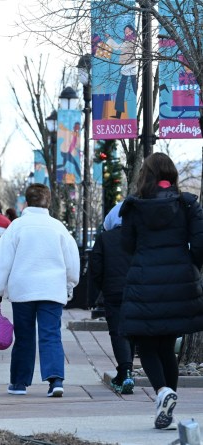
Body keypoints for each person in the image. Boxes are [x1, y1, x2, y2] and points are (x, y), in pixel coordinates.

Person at [119, 152, 203, 429]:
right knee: (167, 346)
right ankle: (168, 402)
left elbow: (126, 245)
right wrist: (187, 265)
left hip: (144, 281)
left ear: (146, 175)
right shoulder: (187, 204)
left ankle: (162, 392)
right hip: (179, 281)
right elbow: (199, 246)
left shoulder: (134, 206)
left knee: (146, 344)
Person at [0, 183, 80, 397]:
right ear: (49, 202)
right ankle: (55, 380)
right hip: (52, 288)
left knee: (24, 336)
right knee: (51, 334)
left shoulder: (17, 227)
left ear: (26, 203)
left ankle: (19, 382)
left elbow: (2, 260)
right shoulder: (58, 227)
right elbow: (72, 261)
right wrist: (69, 284)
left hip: (23, 289)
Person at [89, 202, 135, 394]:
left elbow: (96, 267)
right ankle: (126, 371)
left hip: (113, 291)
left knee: (117, 331)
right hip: (137, 291)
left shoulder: (104, 238)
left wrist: (100, 289)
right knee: (132, 330)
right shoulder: (139, 237)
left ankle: (125, 371)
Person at [104, 24, 137, 119]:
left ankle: (119, 114)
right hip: (127, 66)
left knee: (130, 88)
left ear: (132, 31)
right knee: (122, 90)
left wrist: (110, 39)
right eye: (125, 32)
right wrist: (109, 38)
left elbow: (118, 47)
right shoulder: (128, 41)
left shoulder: (131, 41)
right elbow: (119, 47)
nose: (126, 33)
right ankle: (118, 114)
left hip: (130, 66)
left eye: (128, 31)